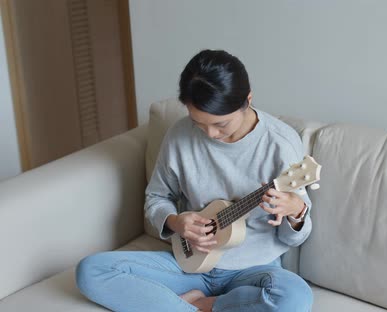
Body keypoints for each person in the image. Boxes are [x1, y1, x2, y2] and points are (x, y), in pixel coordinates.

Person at [76, 49, 313, 312]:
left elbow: (294, 238)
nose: (210, 134)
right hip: (189, 264)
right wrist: (175, 222)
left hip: (253, 272)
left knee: (295, 298)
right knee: (91, 271)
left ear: (247, 99)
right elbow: (156, 197)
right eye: (199, 123)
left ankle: (206, 305)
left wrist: (296, 211)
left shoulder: (280, 143)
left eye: (221, 124)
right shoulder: (179, 136)